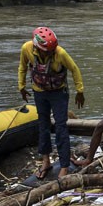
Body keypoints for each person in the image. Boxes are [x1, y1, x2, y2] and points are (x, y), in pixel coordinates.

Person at [18, 27, 85, 179]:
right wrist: (21, 87)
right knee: (43, 125)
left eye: (51, 51)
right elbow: (22, 67)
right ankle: (46, 161)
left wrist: (80, 91)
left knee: (61, 126)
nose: (49, 53)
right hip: (39, 92)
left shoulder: (60, 53)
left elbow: (74, 69)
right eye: (46, 51)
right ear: (36, 47)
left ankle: (64, 165)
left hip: (58, 93)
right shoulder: (27, 48)